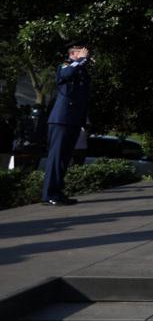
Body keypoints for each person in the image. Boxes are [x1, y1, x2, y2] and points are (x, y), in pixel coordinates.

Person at [41, 42, 92, 206]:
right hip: (61, 120)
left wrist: (84, 120)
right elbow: (67, 74)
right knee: (56, 158)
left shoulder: (81, 70)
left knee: (64, 159)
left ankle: (57, 192)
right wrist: (81, 61)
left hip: (73, 120)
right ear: (72, 54)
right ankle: (49, 194)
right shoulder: (65, 66)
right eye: (80, 52)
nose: (85, 54)